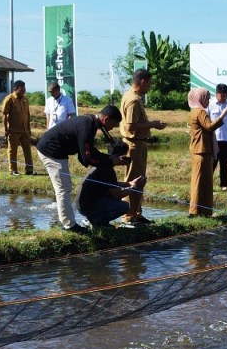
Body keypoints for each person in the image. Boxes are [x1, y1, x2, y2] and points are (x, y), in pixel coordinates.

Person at [36, 105, 126, 233]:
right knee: (63, 188)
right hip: (51, 151)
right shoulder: (87, 126)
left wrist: (109, 160)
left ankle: (68, 223)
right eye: (113, 125)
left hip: (56, 151)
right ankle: (69, 226)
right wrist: (110, 161)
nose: (111, 129)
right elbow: (86, 158)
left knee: (64, 187)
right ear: (106, 119)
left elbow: (87, 152)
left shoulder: (91, 123)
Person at [119, 69, 167, 225]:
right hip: (134, 144)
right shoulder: (133, 100)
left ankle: (136, 213)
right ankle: (129, 216)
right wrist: (153, 124)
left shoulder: (129, 95)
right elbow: (131, 126)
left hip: (137, 143)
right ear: (143, 82)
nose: (150, 87)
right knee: (133, 180)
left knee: (138, 179)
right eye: (149, 83)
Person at [75, 141, 146, 229]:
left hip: (83, 205)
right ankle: (97, 222)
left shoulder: (102, 162)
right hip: (87, 207)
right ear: (119, 156)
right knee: (124, 206)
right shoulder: (107, 169)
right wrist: (135, 187)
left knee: (111, 198)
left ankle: (94, 220)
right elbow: (117, 194)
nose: (126, 160)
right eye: (125, 156)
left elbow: (111, 184)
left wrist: (129, 183)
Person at [189, 87, 227, 217]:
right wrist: (223, 115)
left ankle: (205, 211)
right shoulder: (200, 112)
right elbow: (210, 126)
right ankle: (195, 211)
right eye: (206, 98)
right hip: (201, 151)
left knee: (205, 182)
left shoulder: (195, 111)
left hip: (202, 150)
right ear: (199, 99)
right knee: (199, 182)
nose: (208, 100)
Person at [1, 79, 34, 176]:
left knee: (27, 150)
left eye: (24, 89)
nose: (24, 91)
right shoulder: (9, 99)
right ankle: (13, 170)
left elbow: (27, 115)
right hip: (13, 130)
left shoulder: (25, 100)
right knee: (12, 150)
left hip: (25, 130)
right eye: (22, 89)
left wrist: (28, 129)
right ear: (15, 88)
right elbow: (5, 116)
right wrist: (6, 130)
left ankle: (29, 170)